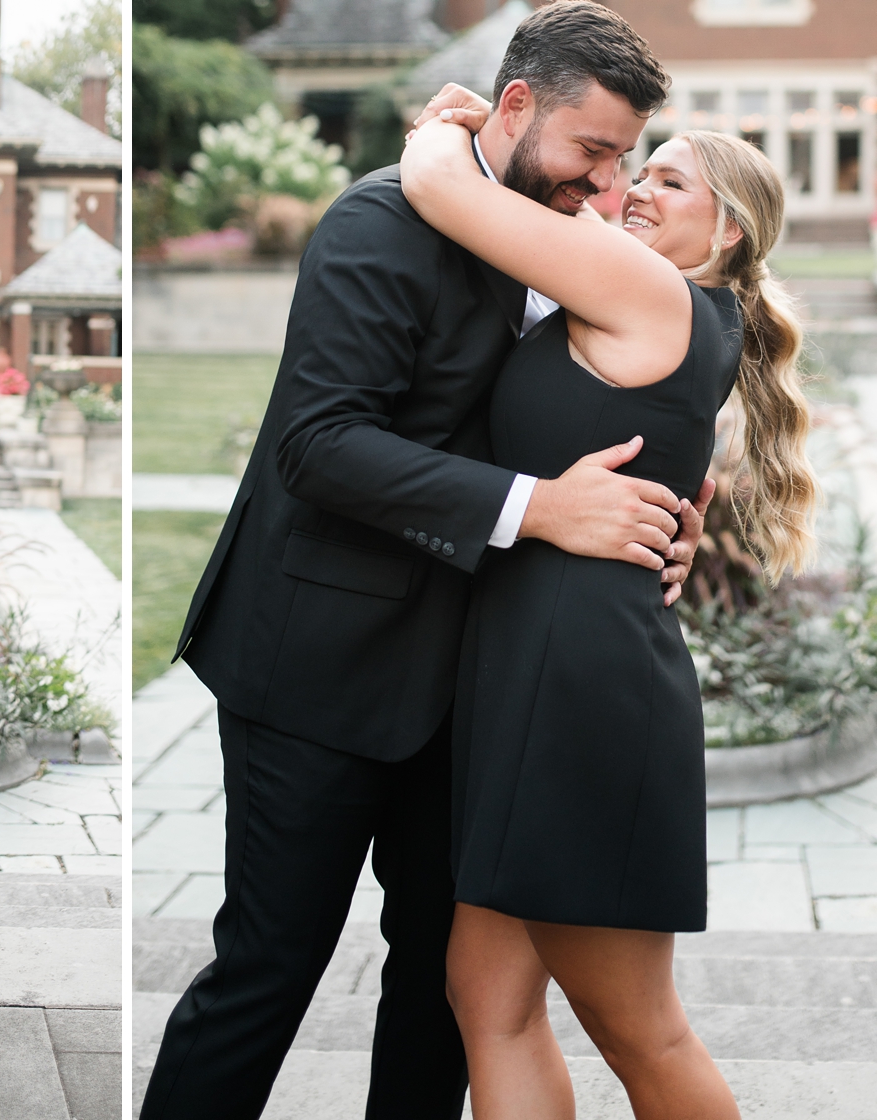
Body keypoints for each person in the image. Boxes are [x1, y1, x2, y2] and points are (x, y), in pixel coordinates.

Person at [139, 5, 713, 1118]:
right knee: (268, 969)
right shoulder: (377, 222)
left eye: (623, 160)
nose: (605, 185)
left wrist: (668, 519)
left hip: (469, 688)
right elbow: (320, 444)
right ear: (513, 106)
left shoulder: (564, 241)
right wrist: (537, 508)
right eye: (590, 150)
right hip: (314, 662)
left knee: (442, 986)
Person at [402, 90, 815, 1118]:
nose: (638, 191)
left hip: (583, 686)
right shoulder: (657, 293)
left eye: (672, 180)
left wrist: (444, 127)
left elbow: (442, 186)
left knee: (641, 1028)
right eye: (642, 170)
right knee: (485, 1000)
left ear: (729, 231)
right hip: (530, 663)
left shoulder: (655, 292)